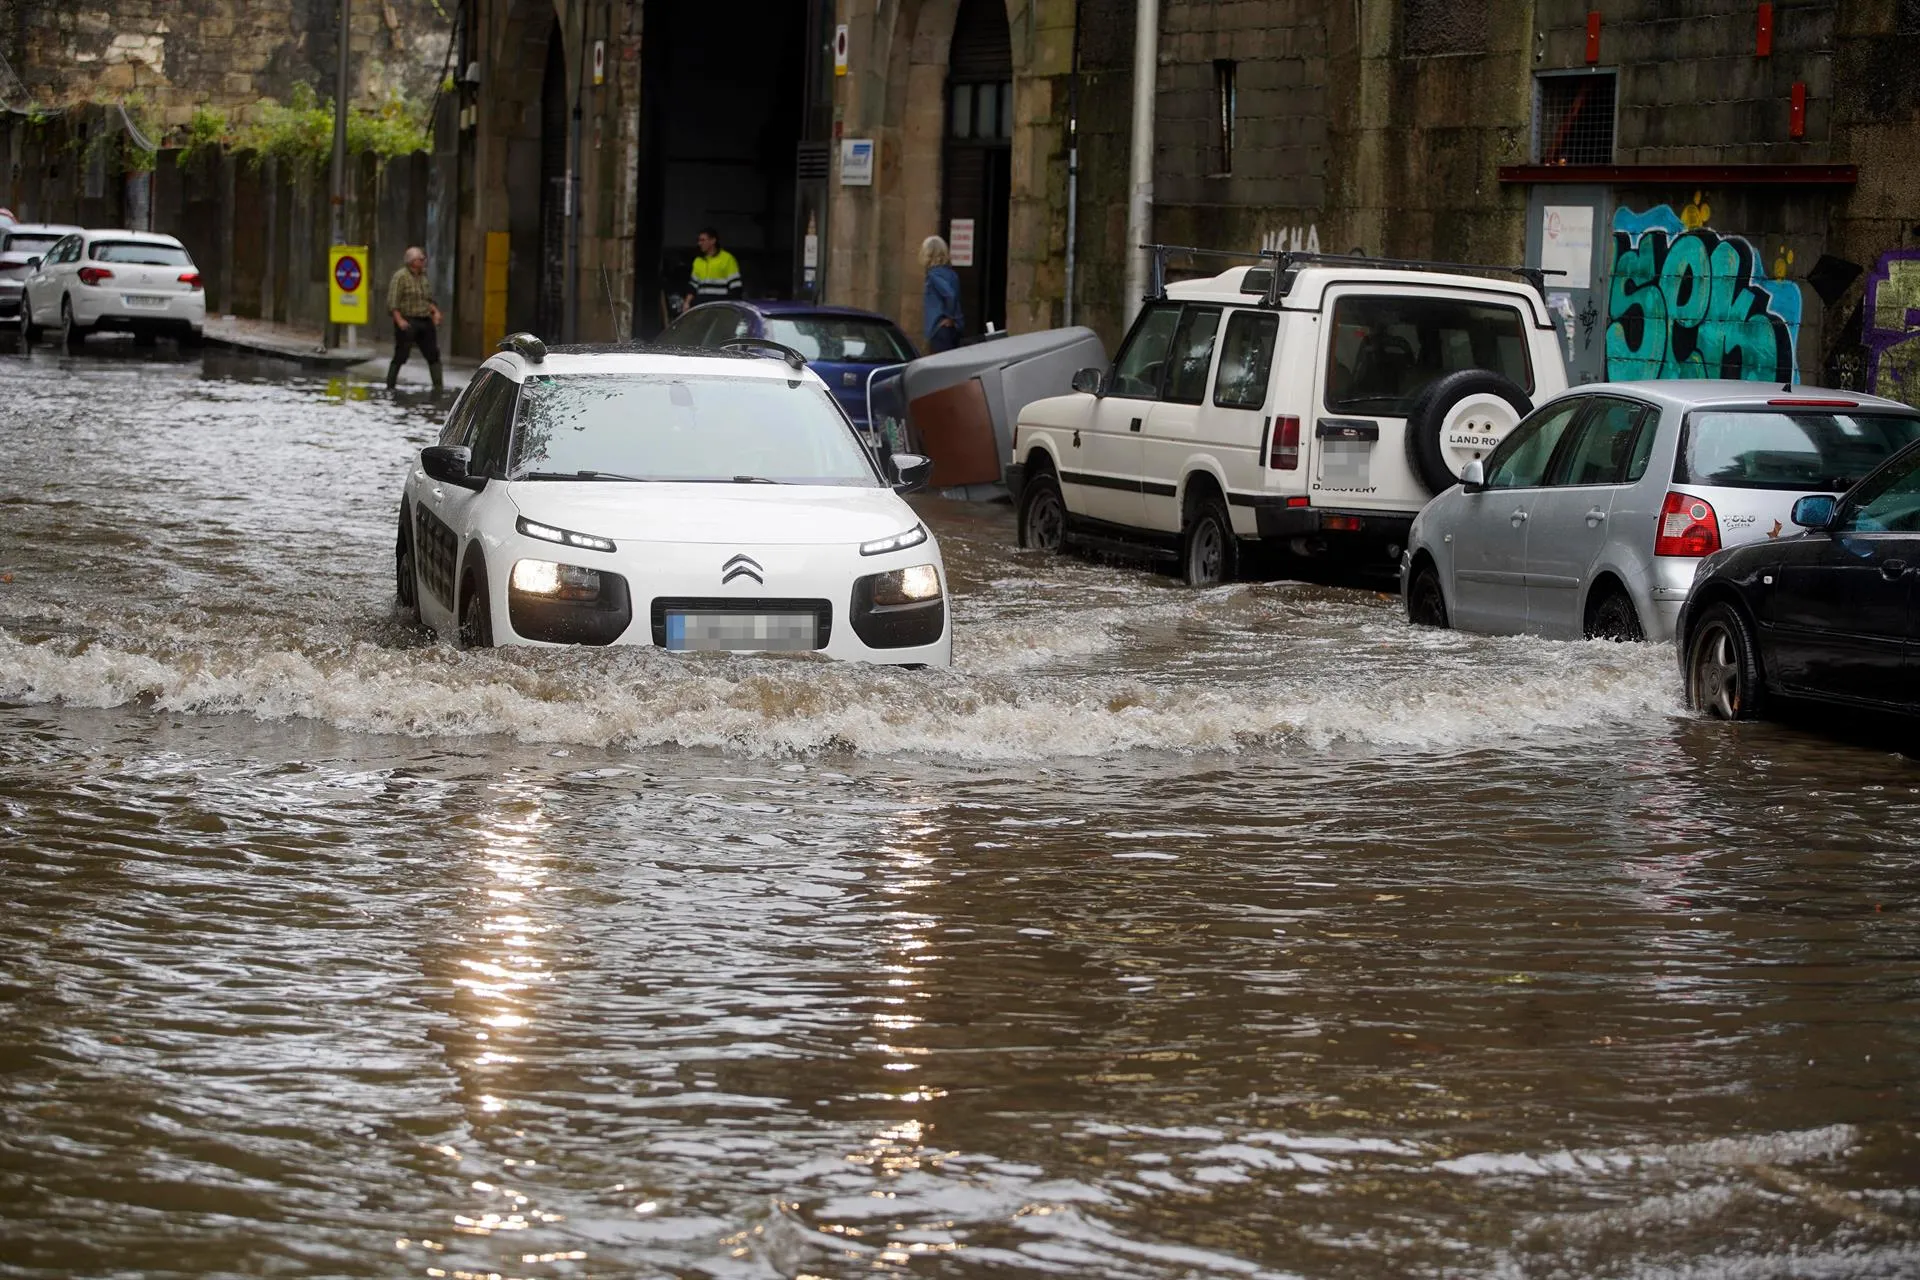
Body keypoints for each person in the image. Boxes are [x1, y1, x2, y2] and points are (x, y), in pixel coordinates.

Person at [386, 246, 443, 393]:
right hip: (408, 320)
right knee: (401, 354)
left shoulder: (423, 277)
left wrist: (435, 312)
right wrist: (400, 321)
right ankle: (390, 385)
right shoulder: (400, 277)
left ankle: (438, 386)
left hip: (424, 319)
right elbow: (393, 302)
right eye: (420, 259)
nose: (423, 261)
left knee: (433, 354)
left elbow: (427, 299)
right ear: (412, 261)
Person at [682, 227, 742, 313]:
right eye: (699, 240)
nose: (699, 243)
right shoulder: (698, 261)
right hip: (701, 306)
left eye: (703, 240)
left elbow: (736, 287)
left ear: (713, 241)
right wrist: (686, 303)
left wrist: (734, 309)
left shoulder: (727, 259)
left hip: (720, 307)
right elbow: (693, 286)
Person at [920, 235, 962, 353]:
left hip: (940, 328)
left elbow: (950, 295)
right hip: (953, 329)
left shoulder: (933, 275)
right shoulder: (952, 274)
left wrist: (949, 317)